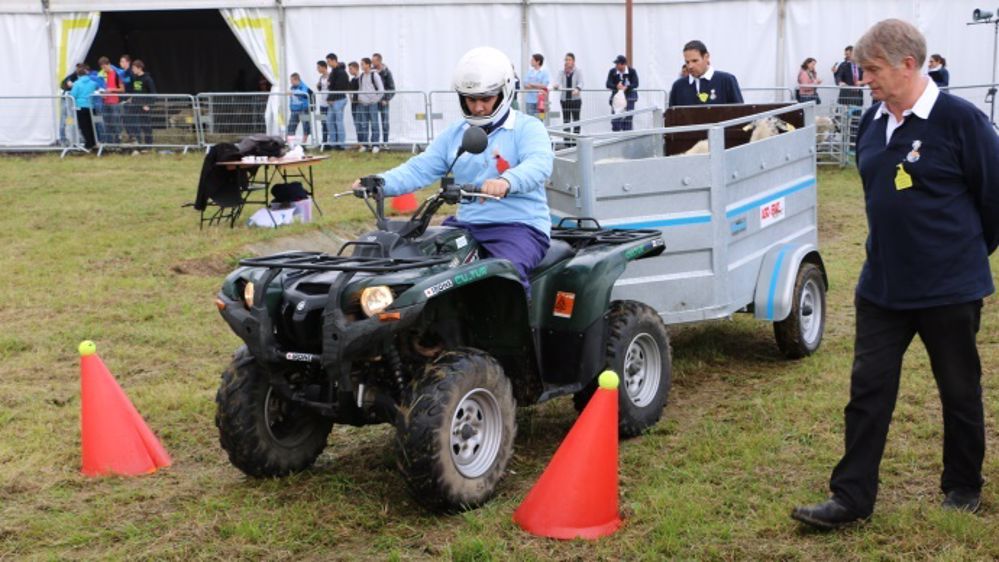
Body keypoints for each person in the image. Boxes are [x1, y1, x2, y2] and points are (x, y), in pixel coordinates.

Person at [791, 18, 999, 530]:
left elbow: (993, 199)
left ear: (910, 64)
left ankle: (963, 484)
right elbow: (875, 193)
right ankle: (851, 497)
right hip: (882, 285)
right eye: (863, 70)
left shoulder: (961, 121)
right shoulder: (872, 121)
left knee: (957, 386)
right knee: (868, 390)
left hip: (949, 288)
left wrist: (962, 255)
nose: (865, 80)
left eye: (873, 69)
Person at [352, 46, 553, 294]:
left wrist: (507, 181)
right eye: (471, 99)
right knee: (422, 272)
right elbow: (421, 167)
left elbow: (539, 164)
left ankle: (519, 331)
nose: (478, 108)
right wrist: (380, 182)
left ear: (504, 92)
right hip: (466, 225)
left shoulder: (527, 128)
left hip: (518, 226)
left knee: (505, 276)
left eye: (486, 99)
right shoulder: (455, 134)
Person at [668, 40, 744, 107]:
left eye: (695, 61)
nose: (690, 66)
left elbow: (740, 114)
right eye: (687, 62)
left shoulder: (727, 80)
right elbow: (672, 118)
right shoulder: (678, 86)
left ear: (706, 57)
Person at [356, 57, 384, 152]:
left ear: (368, 64)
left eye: (363, 64)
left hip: (372, 103)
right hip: (363, 103)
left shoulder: (375, 75)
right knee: (364, 124)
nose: (361, 66)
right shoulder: (361, 76)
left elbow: (381, 90)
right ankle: (365, 144)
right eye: (361, 64)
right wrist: (360, 98)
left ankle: (375, 144)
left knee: (374, 124)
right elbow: (360, 88)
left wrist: (375, 100)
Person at [552, 52, 583, 136]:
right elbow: (557, 81)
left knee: (576, 120)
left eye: (569, 60)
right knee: (566, 121)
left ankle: (576, 141)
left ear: (573, 61)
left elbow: (581, 83)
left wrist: (577, 89)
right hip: (565, 100)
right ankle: (567, 142)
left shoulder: (578, 71)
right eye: (566, 60)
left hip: (575, 100)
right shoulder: (561, 71)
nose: (567, 61)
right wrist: (556, 85)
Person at [69, 65, 99, 150]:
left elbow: (73, 95)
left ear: (78, 75)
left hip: (80, 107)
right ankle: (93, 142)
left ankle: (88, 143)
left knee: (83, 126)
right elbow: (97, 88)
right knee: (91, 126)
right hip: (91, 106)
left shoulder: (77, 83)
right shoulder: (93, 83)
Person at [606, 55, 639, 131]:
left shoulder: (632, 71)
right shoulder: (612, 72)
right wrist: (616, 86)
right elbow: (608, 84)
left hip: (629, 97)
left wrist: (627, 87)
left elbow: (636, 83)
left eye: (618, 64)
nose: (616, 66)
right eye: (616, 64)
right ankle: (616, 137)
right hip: (617, 98)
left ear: (624, 64)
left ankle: (627, 139)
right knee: (615, 119)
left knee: (628, 119)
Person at [128, 59, 157, 145]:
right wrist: (131, 99)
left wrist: (148, 105)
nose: (132, 70)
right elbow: (135, 90)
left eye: (134, 68)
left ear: (140, 68)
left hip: (144, 107)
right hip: (135, 105)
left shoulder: (148, 79)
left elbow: (154, 94)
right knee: (135, 125)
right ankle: (138, 144)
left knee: (146, 127)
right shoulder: (134, 78)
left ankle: (149, 145)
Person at [325, 53, 350, 150]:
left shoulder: (341, 73)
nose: (328, 63)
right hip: (333, 99)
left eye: (328, 61)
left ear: (333, 60)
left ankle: (341, 144)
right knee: (329, 121)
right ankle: (333, 143)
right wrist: (330, 98)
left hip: (339, 99)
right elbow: (331, 86)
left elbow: (339, 87)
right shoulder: (333, 72)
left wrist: (331, 97)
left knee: (338, 122)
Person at [97, 56, 124, 143]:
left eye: (104, 67)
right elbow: (104, 88)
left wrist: (112, 90)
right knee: (106, 123)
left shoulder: (116, 74)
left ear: (109, 64)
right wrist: (102, 93)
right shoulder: (103, 75)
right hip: (105, 102)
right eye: (102, 68)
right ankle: (109, 143)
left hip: (114, 103)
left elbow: (122, 89)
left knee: (115, 123)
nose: (103, 69)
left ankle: (117, 142)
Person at [373, 53, 395, 150]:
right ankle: (375, 143)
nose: (372, 62)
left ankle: (385, 143)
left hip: (383, 102)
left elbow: (392, 88)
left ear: (379, 61)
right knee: (374, 122)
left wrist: (387, 99)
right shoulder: (371, 72)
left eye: (374, 61)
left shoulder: (387, 72)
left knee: (385, 122)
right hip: (373, 101)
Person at [286, 72, 312, 144]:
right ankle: (291, 144)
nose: (291, 82)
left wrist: (293, 92)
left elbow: (304, 94)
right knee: (291, 127)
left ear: (297, 79)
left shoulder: (304, 86)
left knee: (306, 126)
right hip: (294, 110)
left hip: (304, 109)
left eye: (292, 81)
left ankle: (304, 143)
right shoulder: (292, 87)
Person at [347, 61, 362, 147]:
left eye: (351, 69)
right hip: (354, 103)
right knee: (356, 122)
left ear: (356, 68)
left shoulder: (361, 78)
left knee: (361, 122)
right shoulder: (352, 79)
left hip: (360, 103)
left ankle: (363, 142)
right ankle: (359, 141)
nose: (349, 71)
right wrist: (350, 98)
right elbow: (349, 89)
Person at [315, 60, 330, 146]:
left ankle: (330, 141)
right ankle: (324, 141)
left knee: (329, 122)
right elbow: (320, 89)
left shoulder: (330, 76)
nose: (317, 69)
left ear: (324, 67)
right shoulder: (321, 78)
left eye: (318, 67)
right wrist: (318, 86)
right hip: (322, 103)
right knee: (323, 122)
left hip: (329, 103)